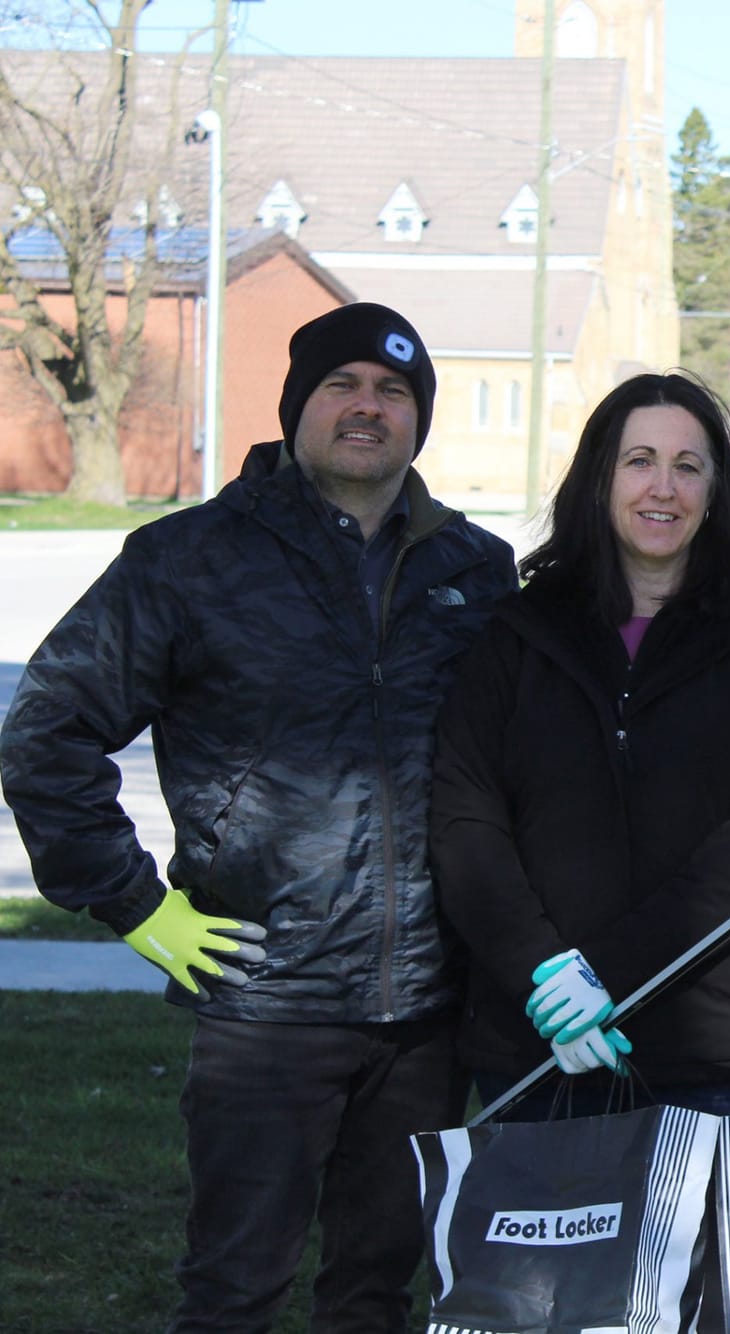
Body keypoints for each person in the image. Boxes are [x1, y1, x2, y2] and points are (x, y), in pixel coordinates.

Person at [0, 303, 518, 1330]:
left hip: (426, 1010)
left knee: (376, 1291)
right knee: (235, 1288)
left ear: (419, 421)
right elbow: (45, 732)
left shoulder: (476, 570)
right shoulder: (188, 559)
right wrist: (138, 906)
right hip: (263, 999)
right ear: (296, 409)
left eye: (393, 392)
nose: (367, 408)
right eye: (343, 385)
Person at [429, 372, 730, 1120]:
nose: (664, 487)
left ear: (716, 492)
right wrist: (545, 978)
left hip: (715, 1050)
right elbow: (465, 816)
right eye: (639, 460)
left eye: (688, 466)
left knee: (702, 1245)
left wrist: (606, 974)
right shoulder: (518, 633)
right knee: (545, 1244)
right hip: (539, 1043)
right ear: (599, 478)